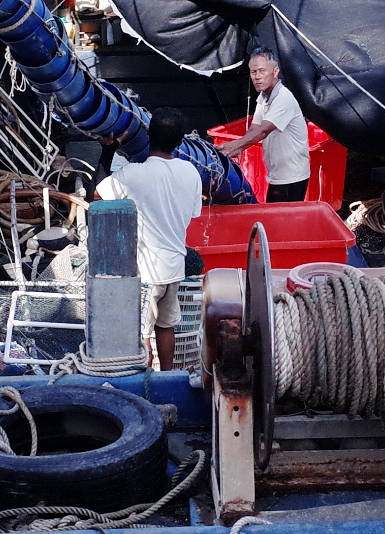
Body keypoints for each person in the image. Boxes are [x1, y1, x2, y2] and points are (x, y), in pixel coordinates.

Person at [95, 107, 204, 368]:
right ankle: (168, 377)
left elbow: (98, 195)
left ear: (148, 136)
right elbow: (193, 213)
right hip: (174, 268)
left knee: (142, 333)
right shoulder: (191, 173)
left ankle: (146, 382)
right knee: (166, 327)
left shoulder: (133, 174)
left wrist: (108, 150)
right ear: (180, 142)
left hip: (146, 271)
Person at [219, 50, 310, 203]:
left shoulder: (283, 98)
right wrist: (240, 146)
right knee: (274, 220)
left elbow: (263, 130)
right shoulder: (263, 97)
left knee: (282, 223)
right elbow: (255, 127)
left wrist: (236, 145)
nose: (257, 76)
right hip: (277, 175)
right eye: (253, 72)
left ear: (275, 71)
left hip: (292, 177)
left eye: (262, 71)